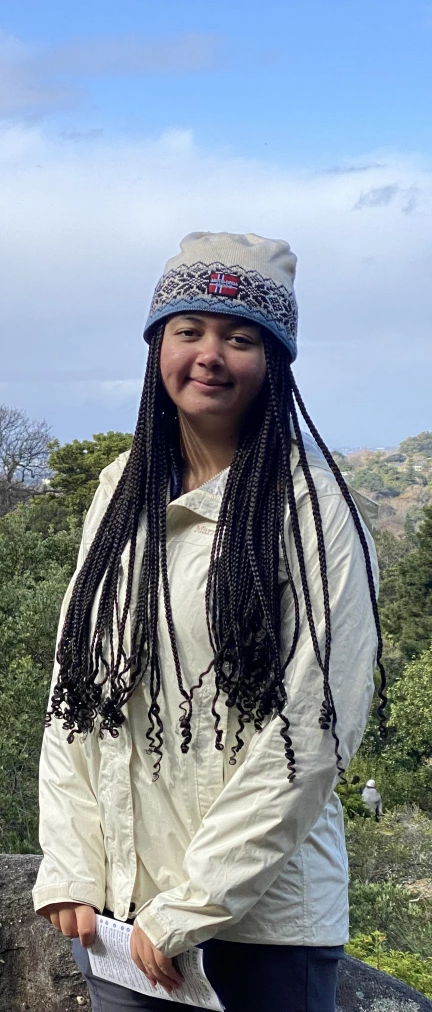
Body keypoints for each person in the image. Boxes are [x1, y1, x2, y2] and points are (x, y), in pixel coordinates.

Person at [32, 232, 385, 1012]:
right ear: (159, 343)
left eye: (241, 336)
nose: (210, 354)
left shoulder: (315, 512)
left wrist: (191, 906)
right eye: (189, 329)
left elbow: (310, 738)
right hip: (124, 926)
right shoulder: (123, 490)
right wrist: (70, 866)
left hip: (261, 933)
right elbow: (74, 693)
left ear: (276, 360)